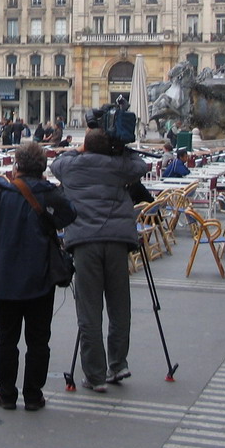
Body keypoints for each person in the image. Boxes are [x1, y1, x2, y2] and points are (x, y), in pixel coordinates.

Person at [0, 141, 76, 411]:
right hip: (41, 278)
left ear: (16, 166)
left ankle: (7, 393)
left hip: (5, 278)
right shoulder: (50, 194)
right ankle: (34, 395)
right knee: (39, 340)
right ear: (43, 168)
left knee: (7, 339)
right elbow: (69, 214)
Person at [50, 127, 147, 391]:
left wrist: (79, 150)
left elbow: (56, 163)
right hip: (117, 242)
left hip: (84, 242)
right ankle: (118, 364)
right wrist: (121, 151)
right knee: (119, 305)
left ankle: (95, 374)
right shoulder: (119, 166)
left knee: (89, 310)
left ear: (86, 145)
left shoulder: (70, 167)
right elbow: (142, 165)